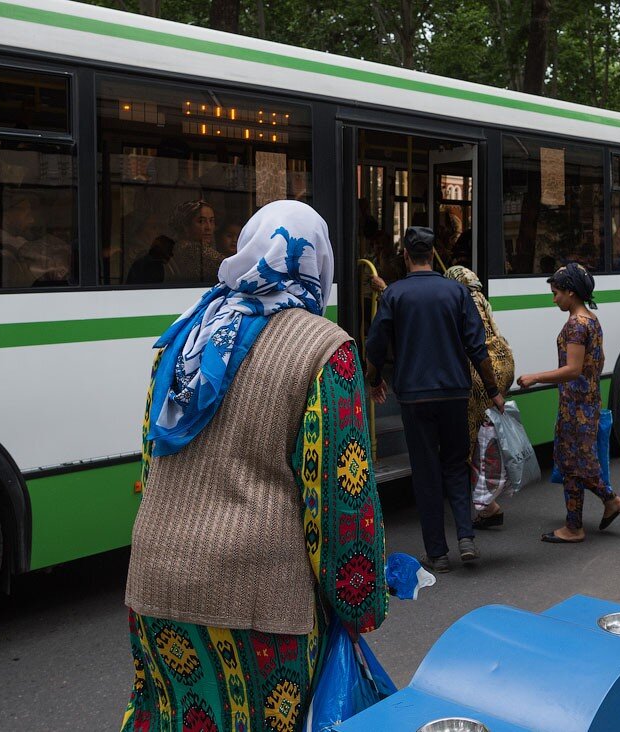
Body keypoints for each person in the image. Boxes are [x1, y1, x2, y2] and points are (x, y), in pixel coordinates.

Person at [121, 200, 388, 731]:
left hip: (155, 586)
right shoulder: (324, 349)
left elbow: (151, 460)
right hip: (261, 605)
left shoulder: (184, 333)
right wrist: (360, 600)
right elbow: (339, 496)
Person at [365, 227, 503, 574]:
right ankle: (466, 538)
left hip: (414, 397)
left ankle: (437, 553)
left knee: (426, 472)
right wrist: (493, 390)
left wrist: (374, 379)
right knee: (456, 465)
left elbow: (375, 344)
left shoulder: (394, 295)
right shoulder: (456, 292)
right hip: (455, 392)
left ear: (407, 256)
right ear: (433, 253)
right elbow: (477, 346)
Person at [516, 263, 620, 544]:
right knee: (572, 462)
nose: (554, 299)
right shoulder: (591, 319)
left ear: (571, 292)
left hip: (576, 405)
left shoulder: (577, 325)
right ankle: (575, 525)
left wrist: (535, 377)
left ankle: (609, 500)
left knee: (574, 463)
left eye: (556, 293)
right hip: (585, 400)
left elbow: (572, 369)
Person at [443, 265, 515, 528]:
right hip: (503, 362)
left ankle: (487, 505)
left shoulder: (458, 298)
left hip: (481, 371)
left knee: (470, 441)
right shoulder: (478, 296)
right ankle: (488, 499)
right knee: (487, 437)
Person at [164, 199, 220, 283]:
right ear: (186, 225)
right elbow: (231, 269)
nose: (209, 227)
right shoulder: (192, 249)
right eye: (201, 221)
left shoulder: (176, 246)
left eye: (211, 221)